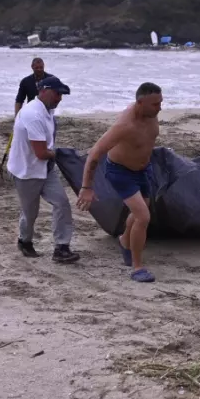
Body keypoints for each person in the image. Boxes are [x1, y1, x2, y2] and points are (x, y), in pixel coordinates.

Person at [76, 83, 163, 283]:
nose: (160, 108)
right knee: (143, 217)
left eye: (161, 103)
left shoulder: (151, 114)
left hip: (143, 169)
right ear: (140, 103)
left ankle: (125, 241)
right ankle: (137, 267)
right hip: (120, 172)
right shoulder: (125, 125)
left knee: (140, 212)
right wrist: (87, 187)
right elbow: (95, 153)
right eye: (155, 104)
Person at [7, 75, 80, 263]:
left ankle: (62, 247)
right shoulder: (33, 114)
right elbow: (40, 152)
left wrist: (55, 155)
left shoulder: (48, 109)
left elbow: (45, 149)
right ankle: (25, 241)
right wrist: (60, 154)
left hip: (46, 169)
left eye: (61, 95)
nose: (59, 99)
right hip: (27, 171)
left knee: (62, 203)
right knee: (30, 212)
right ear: (44, 91)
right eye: (57, 94)